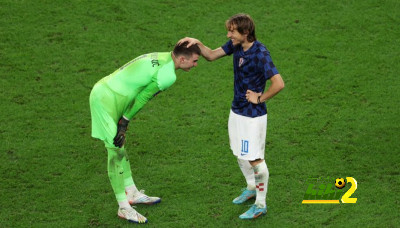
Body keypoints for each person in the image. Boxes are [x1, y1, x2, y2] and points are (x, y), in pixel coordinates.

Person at [179, 13, 284, 220]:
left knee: (254, 158)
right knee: (238, 151)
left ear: (246, 32)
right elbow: (210, 55)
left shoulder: (261, 53)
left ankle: (261, 205)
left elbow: (278, 83)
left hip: (252, 116)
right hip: (236, 110)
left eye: (232, 31)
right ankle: (251, 187)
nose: (229, 35)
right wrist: (196, 43)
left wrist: (260, 97)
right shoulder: (236, 45)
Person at [89, 41, 201, 224]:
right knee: (115, 150)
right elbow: (143, 97)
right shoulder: (168, 75)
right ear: (182, 59)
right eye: (195, 61)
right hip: (105, 100)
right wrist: (124, 122)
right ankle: (124, 207)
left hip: (114, 95)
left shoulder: (163, 55)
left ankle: (131, 191)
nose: (195, 65)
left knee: (120, 146)